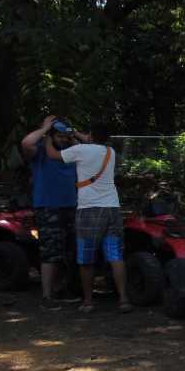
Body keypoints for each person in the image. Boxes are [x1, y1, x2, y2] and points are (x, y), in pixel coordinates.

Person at [45, 119, 132, 314]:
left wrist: (47, 138)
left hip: (89, 210)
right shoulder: (111, 152)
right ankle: (124, 299)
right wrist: (76, 133)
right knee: (116, 256)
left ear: (91, 136)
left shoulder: (81, 151)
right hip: (112, 208)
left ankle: (88, 301)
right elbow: (91, 140)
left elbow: (52, 155)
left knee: (86, 257)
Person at [20, 115, 87, 310]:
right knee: (50, 253)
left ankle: (63, 289)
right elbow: (26, 142)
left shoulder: (72, 152)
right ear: (50, 136)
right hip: (48, 207)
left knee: (69, 251)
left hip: (71, 207)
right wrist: (45, 128)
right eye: (59, 136)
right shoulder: (40, 151)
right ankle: (47, 296)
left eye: (65, 136)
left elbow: (93, 143)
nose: (63, 139)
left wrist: (72, 133)